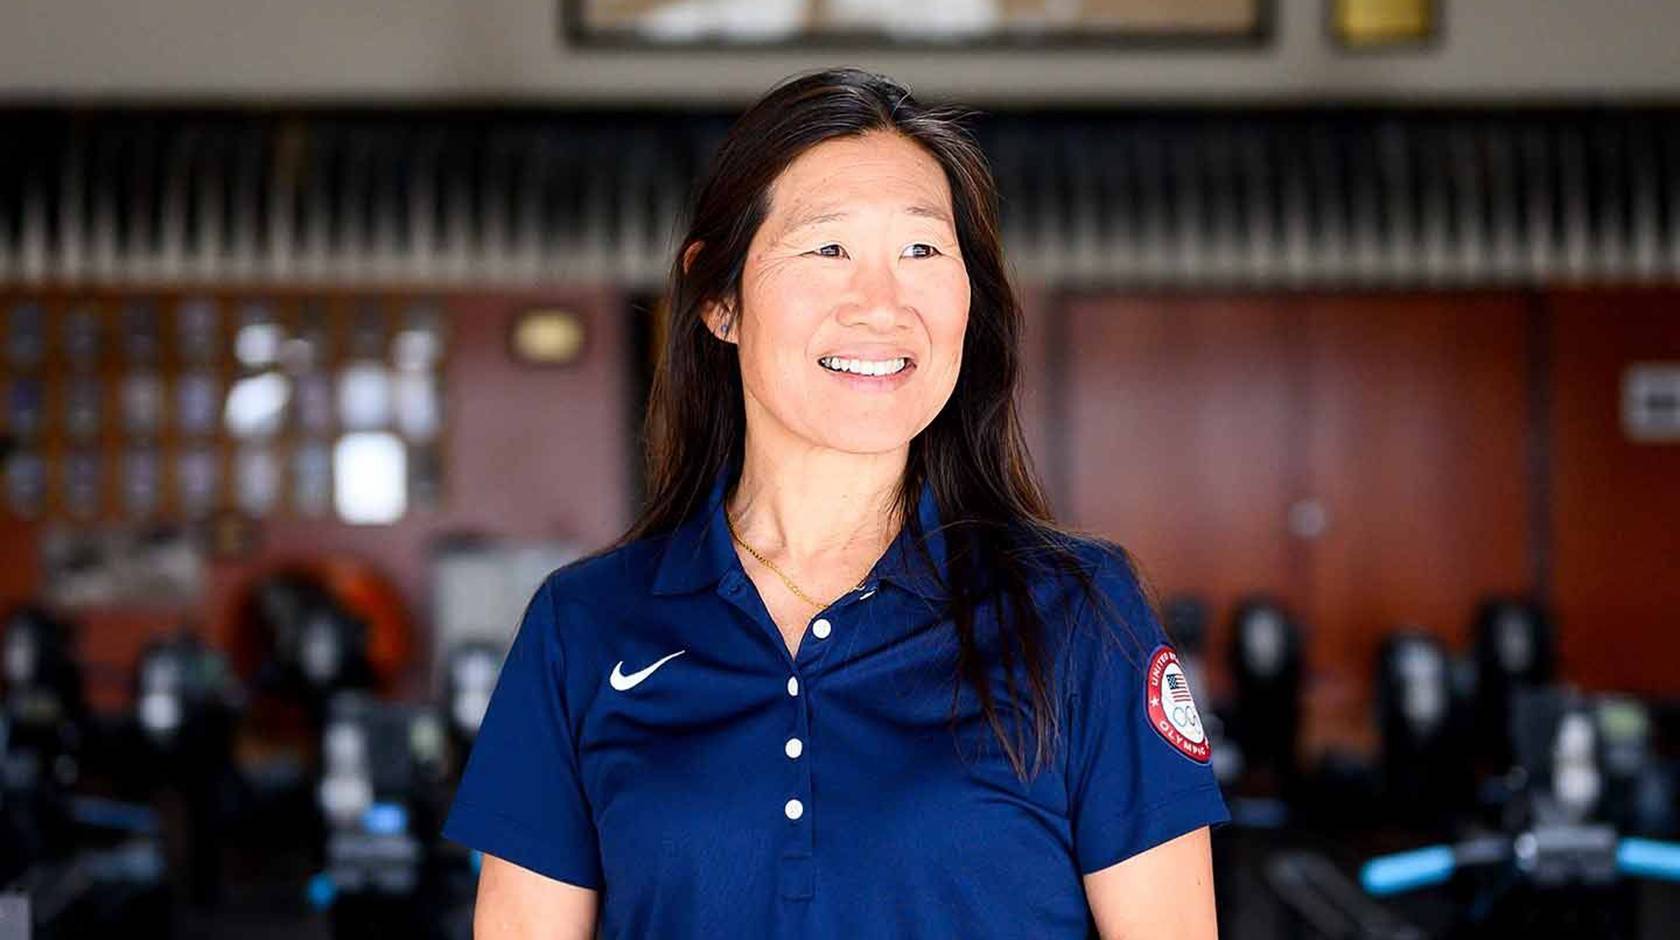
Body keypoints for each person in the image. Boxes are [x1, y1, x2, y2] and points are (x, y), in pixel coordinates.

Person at [443, 66, 1229, 939]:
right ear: (718, 297)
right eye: (828, 250)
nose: (882, 304)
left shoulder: (1079, 612)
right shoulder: (584, 627)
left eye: (923, 251)